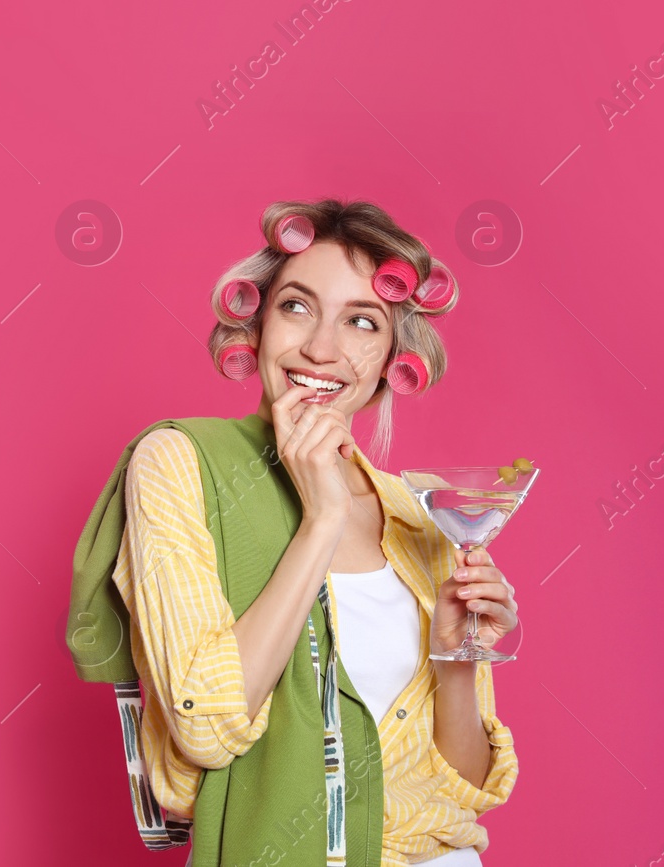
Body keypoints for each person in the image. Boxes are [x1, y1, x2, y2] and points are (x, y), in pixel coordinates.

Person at [71, 200, 519, 866]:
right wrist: (322, 518)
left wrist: (459, 660)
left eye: (362, 321)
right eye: (297, 307)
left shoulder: (418, 513)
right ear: (255, 322)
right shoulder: (179, 462)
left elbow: (463, 790)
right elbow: (205, 726)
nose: (320, 349)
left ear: (395, 357)